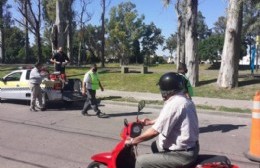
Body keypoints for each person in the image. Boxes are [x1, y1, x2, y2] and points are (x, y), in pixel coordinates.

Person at [125, 72, 199, 168]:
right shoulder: (183, 99)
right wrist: (150, 122)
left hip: (182, 155)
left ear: (166, 90)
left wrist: (133, 141)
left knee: (140, 162)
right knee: (154, 145)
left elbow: (154, 132)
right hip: (190, 148)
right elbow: (169, 118)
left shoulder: (174, 104)